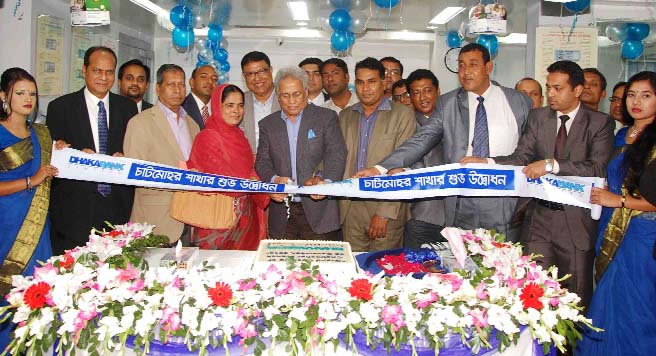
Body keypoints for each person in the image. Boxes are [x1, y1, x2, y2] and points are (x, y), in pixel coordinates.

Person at [461, 60, 615, 309]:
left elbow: (597, 167)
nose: (551, 94)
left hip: (575, 222)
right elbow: (521, 157)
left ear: (577, 90)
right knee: (534, 293)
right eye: (549, 87)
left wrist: (552, 164)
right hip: (538, 218)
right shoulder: (538, 117)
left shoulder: (599, 123)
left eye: (558, 88)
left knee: (573, 299)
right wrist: (487, 161)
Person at [356, 43, 533, 239]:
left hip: (505, 199)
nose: (465, 72)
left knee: (504, 262)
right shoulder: (448, 103)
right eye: (461, 65)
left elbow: (530, 152)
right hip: (461, 202)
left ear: (488, 67)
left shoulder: (518, 102)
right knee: (462, 262)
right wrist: (381, 168)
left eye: (472, 65)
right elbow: (422, 139)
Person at [579, 71, 656, 355]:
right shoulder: (623, 134)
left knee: (635, 306)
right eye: (632, 95)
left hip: (641, 235)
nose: (636, 102)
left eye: (646, 95)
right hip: (610, 225)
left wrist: (618, 200)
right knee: (606, 303)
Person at [0, 68, 68, 348]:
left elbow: (52, 166)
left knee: (38, 289)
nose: (28, 99)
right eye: (20, 93)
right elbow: (36, 176)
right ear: (4, 96)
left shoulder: (42, 132)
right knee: (9, 292)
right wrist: (31, 180)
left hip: (39, 226)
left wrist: (63, 151)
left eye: (32, 93)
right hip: (6, 225)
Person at [47, 46, 138, 254]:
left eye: (109, 72)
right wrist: (72, 154)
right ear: (84, 71)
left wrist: (125, 157)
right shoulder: (60, 107)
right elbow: (52, 157)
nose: (104, 77)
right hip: (75, 210)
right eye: (97, 70)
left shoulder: (128, 108)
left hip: (117, 207)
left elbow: (135, 150)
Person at [255, 67, 346, 240]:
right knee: (281, 265)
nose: (291, 101)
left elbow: (336, 154)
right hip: (283, 212)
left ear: (305, 92)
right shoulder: (268, 124)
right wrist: (273, 181)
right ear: (278, 96)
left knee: (320, 265)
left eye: (296, 94)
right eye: (285, 95)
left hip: (319, 211)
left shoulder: (326, 117)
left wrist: (325, 182)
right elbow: (262, 161)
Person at [340, 57, 416, 251]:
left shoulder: (402, 115)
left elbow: (402, 167)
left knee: (384, 271)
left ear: (384, 83)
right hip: (351, 207)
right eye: (360, 82)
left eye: (372, 81)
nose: (365, 88)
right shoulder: (346, 116)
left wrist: (384, 213)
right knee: (353, 270)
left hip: (386, 207)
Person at [124, 64, 201, 243]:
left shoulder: (193, 124)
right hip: (156, 219)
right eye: (171, 84)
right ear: (158, 88)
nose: (177, 90)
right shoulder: (140, 123)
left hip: (190, 217)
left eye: (181, 84)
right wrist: (178, 176)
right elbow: (135, 173)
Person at [187, 84, 269, 250]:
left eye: (240, 105)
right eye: (230, 105)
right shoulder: (207, 137)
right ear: (218, 106)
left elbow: (249, 170)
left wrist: (255, 181)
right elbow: (218, 178)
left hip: (245, 218)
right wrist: (250, 181)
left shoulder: (239, 136)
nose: (236, 111)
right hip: (217, 219)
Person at [403, 69, 445, 248]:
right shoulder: (406, 125)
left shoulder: (455, 121)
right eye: (416, 93)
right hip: (421, 215)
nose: (422, 97)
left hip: (457, 217)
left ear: (438, 91)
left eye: (427, 90)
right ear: (410, 97)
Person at [240, 51, 280, 152]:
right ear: (244, 76)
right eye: (250, 74)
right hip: (247, 164)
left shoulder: (287, 98)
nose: (257, 78)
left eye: (261, 71)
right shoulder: (239, 102)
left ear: (270, 70)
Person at [182, 64, 218, 129]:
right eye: (204, 77)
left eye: (214, 79)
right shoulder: (181, 107)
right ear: (192, 82)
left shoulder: (220, 109)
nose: (210, 81)